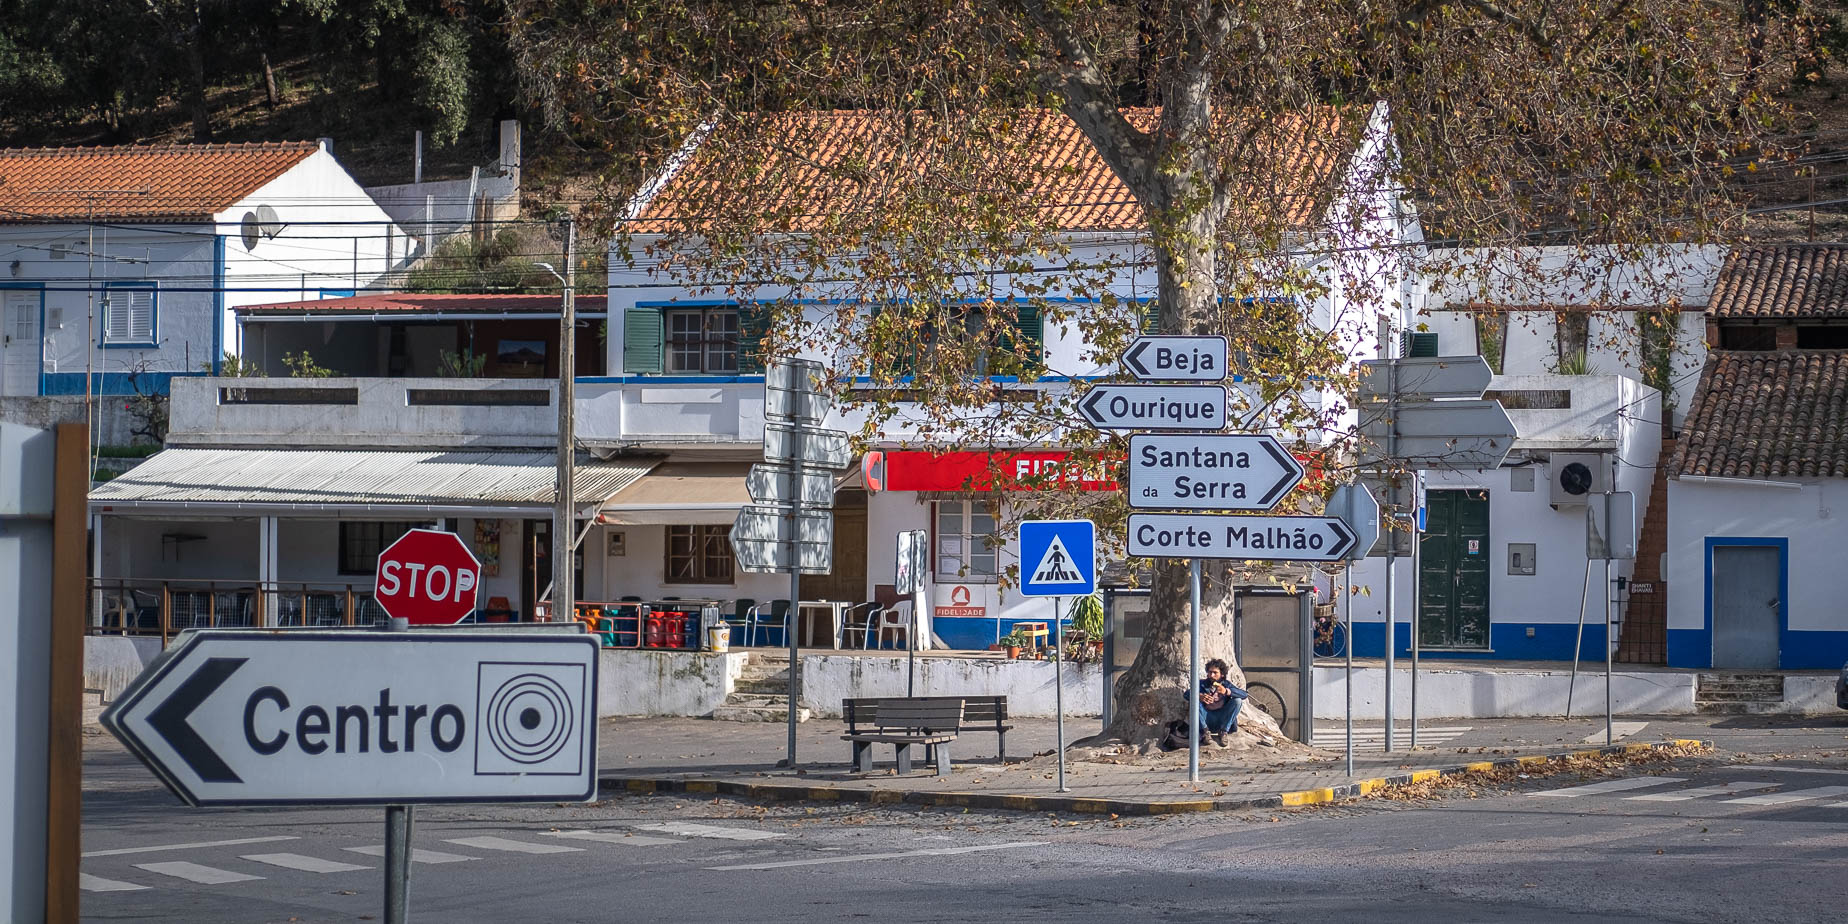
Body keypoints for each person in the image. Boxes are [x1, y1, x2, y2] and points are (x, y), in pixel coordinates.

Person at [1198, 658, 1248, 746]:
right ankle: (1205, 732)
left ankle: (1224, 731)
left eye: (1215, 673)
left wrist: (1227, 691)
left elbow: (1244, 694)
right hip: (1207, 718)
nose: (1211, 675)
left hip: (1222, 719)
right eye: (1210, 672)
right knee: (1194, 702)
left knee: (1237, 701)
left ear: (1222, 674)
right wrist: (1200, 696)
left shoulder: (1226, 684)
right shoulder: (1202, 684)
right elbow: (1186, 694)